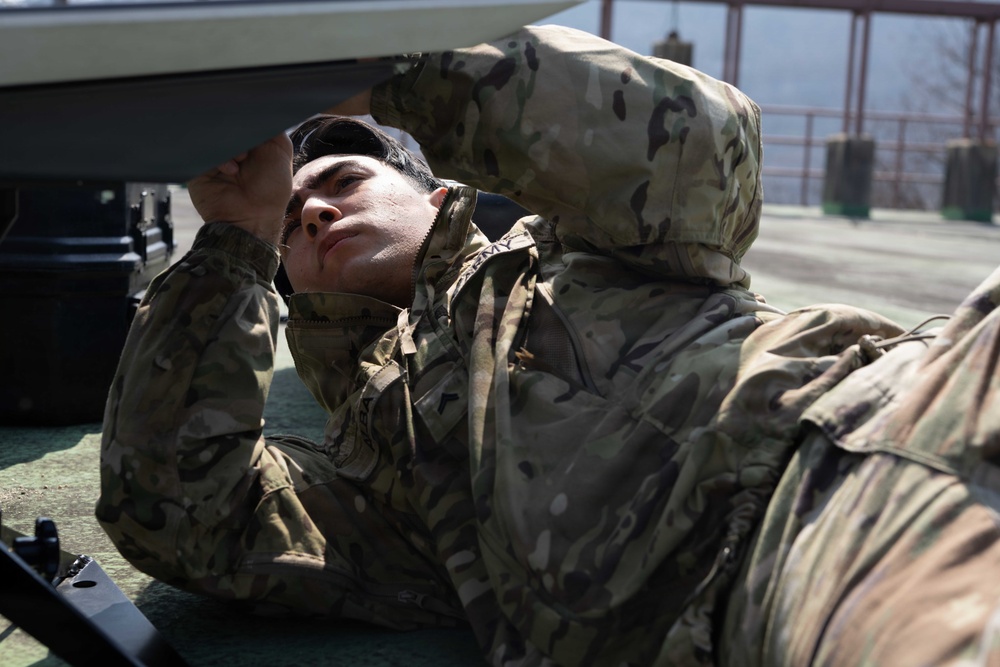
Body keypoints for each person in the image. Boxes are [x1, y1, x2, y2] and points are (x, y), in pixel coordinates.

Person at [96, 24, 1000, 666]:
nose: (318, 209)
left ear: (438, 193)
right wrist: (235, 241)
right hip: (807, 544)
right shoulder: (374, 464)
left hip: (933, 376)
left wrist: (375, 73)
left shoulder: (587, 240)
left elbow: (702, 139)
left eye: (343, 180)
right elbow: (175, 504)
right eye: (294, 222)